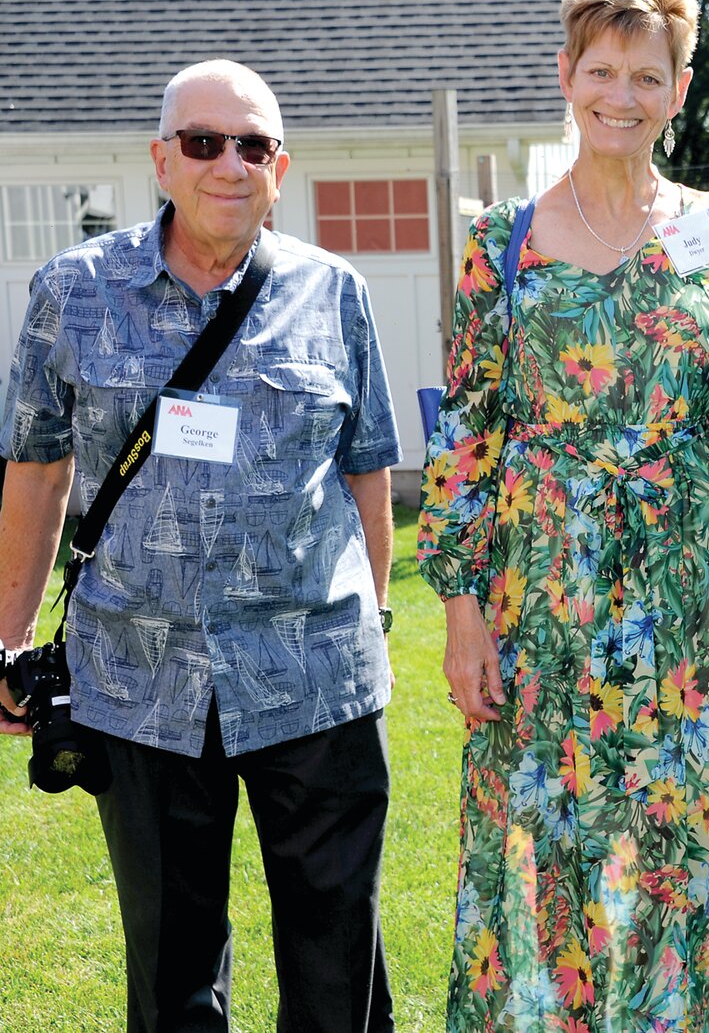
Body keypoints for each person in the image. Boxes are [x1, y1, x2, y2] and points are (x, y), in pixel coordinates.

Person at [0, 59, 400, 1032]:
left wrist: (374, 623)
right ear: (162, 160)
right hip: (138, 687)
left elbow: (367, 469)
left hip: (318, 680)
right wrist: (8, 643)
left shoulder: (333, 292)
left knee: (335, 954)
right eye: (204, 143)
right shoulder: (73, 293)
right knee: (172, 965)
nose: (230, 164)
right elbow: (39, 471)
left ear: (281, 166)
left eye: (253, 145)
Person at [416, 0, 709, 1032]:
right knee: (540, 848)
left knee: (676, 848)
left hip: (685, 599)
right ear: (566, 75)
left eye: (646, 75)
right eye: (601, 69)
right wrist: (463, 612)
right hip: (541, 598)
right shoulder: (500, 242)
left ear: (680, 89)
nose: (622, 95)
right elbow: (468, 432)